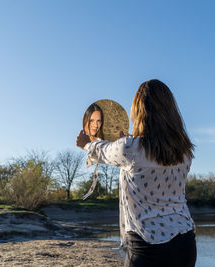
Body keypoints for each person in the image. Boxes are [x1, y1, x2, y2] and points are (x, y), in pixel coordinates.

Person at [76, 79, 196, 267]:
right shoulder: (185, 152)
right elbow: (148, 157)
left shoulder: (130, 149)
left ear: (139, 112)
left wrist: (86, 143)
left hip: (148, 247)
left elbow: (103, 151)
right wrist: (127, 143)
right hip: (185, 243)